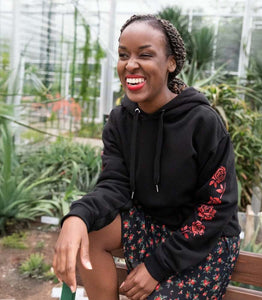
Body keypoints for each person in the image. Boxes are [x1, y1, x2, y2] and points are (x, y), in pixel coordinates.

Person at [53, 14, 241, 300]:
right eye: (123, 55)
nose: (130, 64)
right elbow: (113, 185)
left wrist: (156, 266)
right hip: (155, 226)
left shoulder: (202, 122)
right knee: (90, 232)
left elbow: (216, 207)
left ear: (171, 63)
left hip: (204, 240)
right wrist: (77, 216)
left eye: (145, 54)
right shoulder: (120, 120)